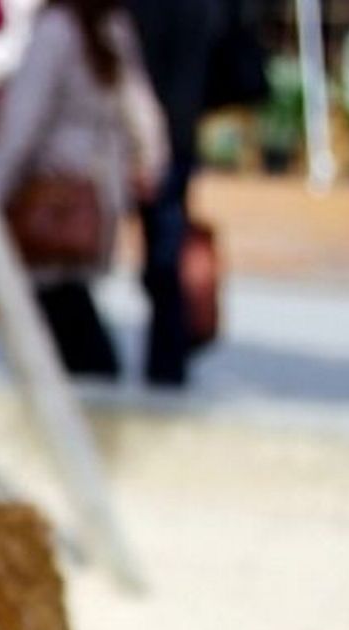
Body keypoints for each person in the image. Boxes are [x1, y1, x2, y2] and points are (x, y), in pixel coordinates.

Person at [0, 0, 165, 379]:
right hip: (96, 192)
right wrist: (150, 160)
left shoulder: (57, 28)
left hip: (54, 191)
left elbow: (23, 119)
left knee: (55, 307)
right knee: (66, 303)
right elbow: (139, 104)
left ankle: (87, 392)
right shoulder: (110, 26)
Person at [126, 0, 225, 388]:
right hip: (174, 131)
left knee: (164, 260)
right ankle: (166, 359)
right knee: (164, 255)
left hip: (147, 135)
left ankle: (165, 359)